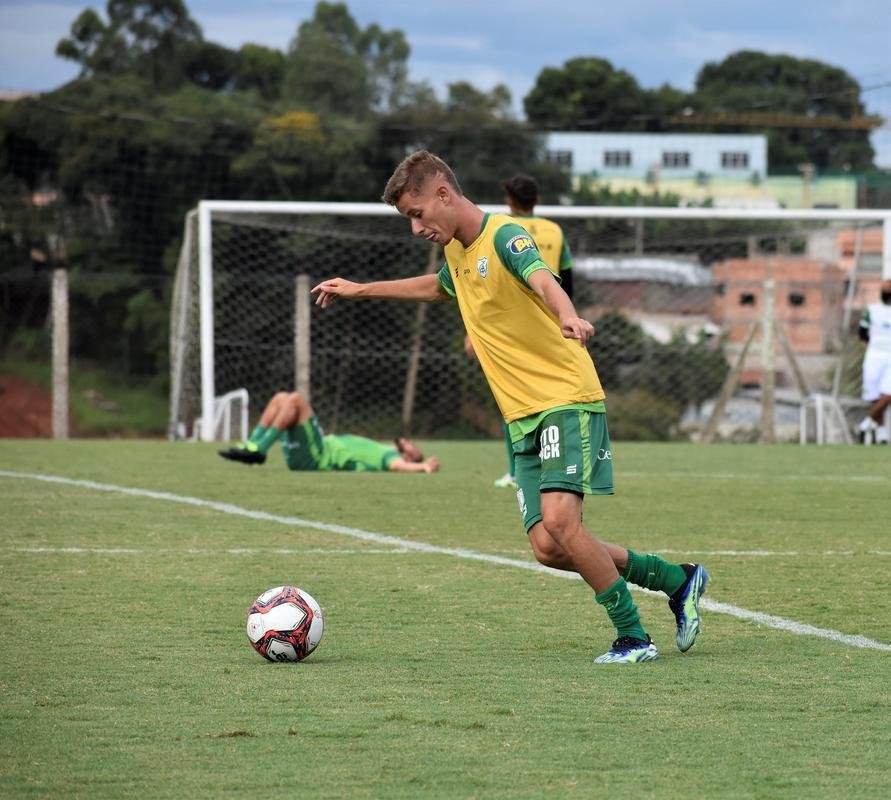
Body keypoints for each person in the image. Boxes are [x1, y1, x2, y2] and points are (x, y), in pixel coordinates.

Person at [312, 150, 708, 664]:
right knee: (548, 545)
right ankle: (677, 580)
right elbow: (439, 287)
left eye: (417, 214)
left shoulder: (504, 236)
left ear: (443, 194)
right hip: (521, 415)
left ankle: (634, 636)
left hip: (562, 398)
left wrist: (570, 316)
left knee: (563, 524)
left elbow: (544, 278)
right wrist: (361, 290)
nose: (416, 229)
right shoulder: (456, 248)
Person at [474, 173, 574, 489]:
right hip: (554, 324)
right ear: (537, 201)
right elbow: (567, 281)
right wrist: (569, 317)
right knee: (557, 398)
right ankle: (557, 464)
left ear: (509, 201)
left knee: (513, 396)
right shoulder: (554, 231)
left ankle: (518, 470)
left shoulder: (500, 228)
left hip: (514, 326)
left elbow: (485, 284)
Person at [218, 390, 440, 473]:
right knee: (281, 398)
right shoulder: (384, 447)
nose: (410, 443)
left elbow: (398, 467)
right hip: (309, 452)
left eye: (413, 448)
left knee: (295, 400)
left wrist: (422, 467)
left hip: (317, 456)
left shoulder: (389, 456)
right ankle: (253, 446)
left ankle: (260, 448)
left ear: (408, 455)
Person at [857, 278, 891, 444]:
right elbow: (862, 333)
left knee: (888, 394)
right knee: (875, 395)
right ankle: (882, 433)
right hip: (875, 355)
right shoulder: (873, 310)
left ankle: (866, 423)